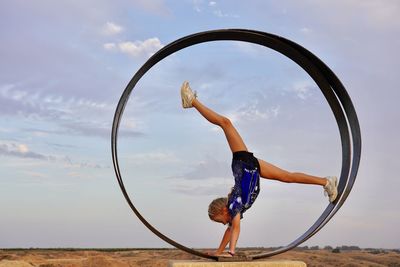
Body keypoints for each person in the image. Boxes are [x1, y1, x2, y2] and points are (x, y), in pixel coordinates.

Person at [180, 81, 338, 258]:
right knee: (288, 176)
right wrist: (218, 252)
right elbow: (231, 229)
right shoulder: (233, 209)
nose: (223, 224)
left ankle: (192, 102)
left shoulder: (234, 206)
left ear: (223, 211)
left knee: (226, 123)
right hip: (252, 169)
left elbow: (236, 228)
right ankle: (326, 182)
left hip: (244, 164)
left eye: (219, 221)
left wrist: (231, 252)